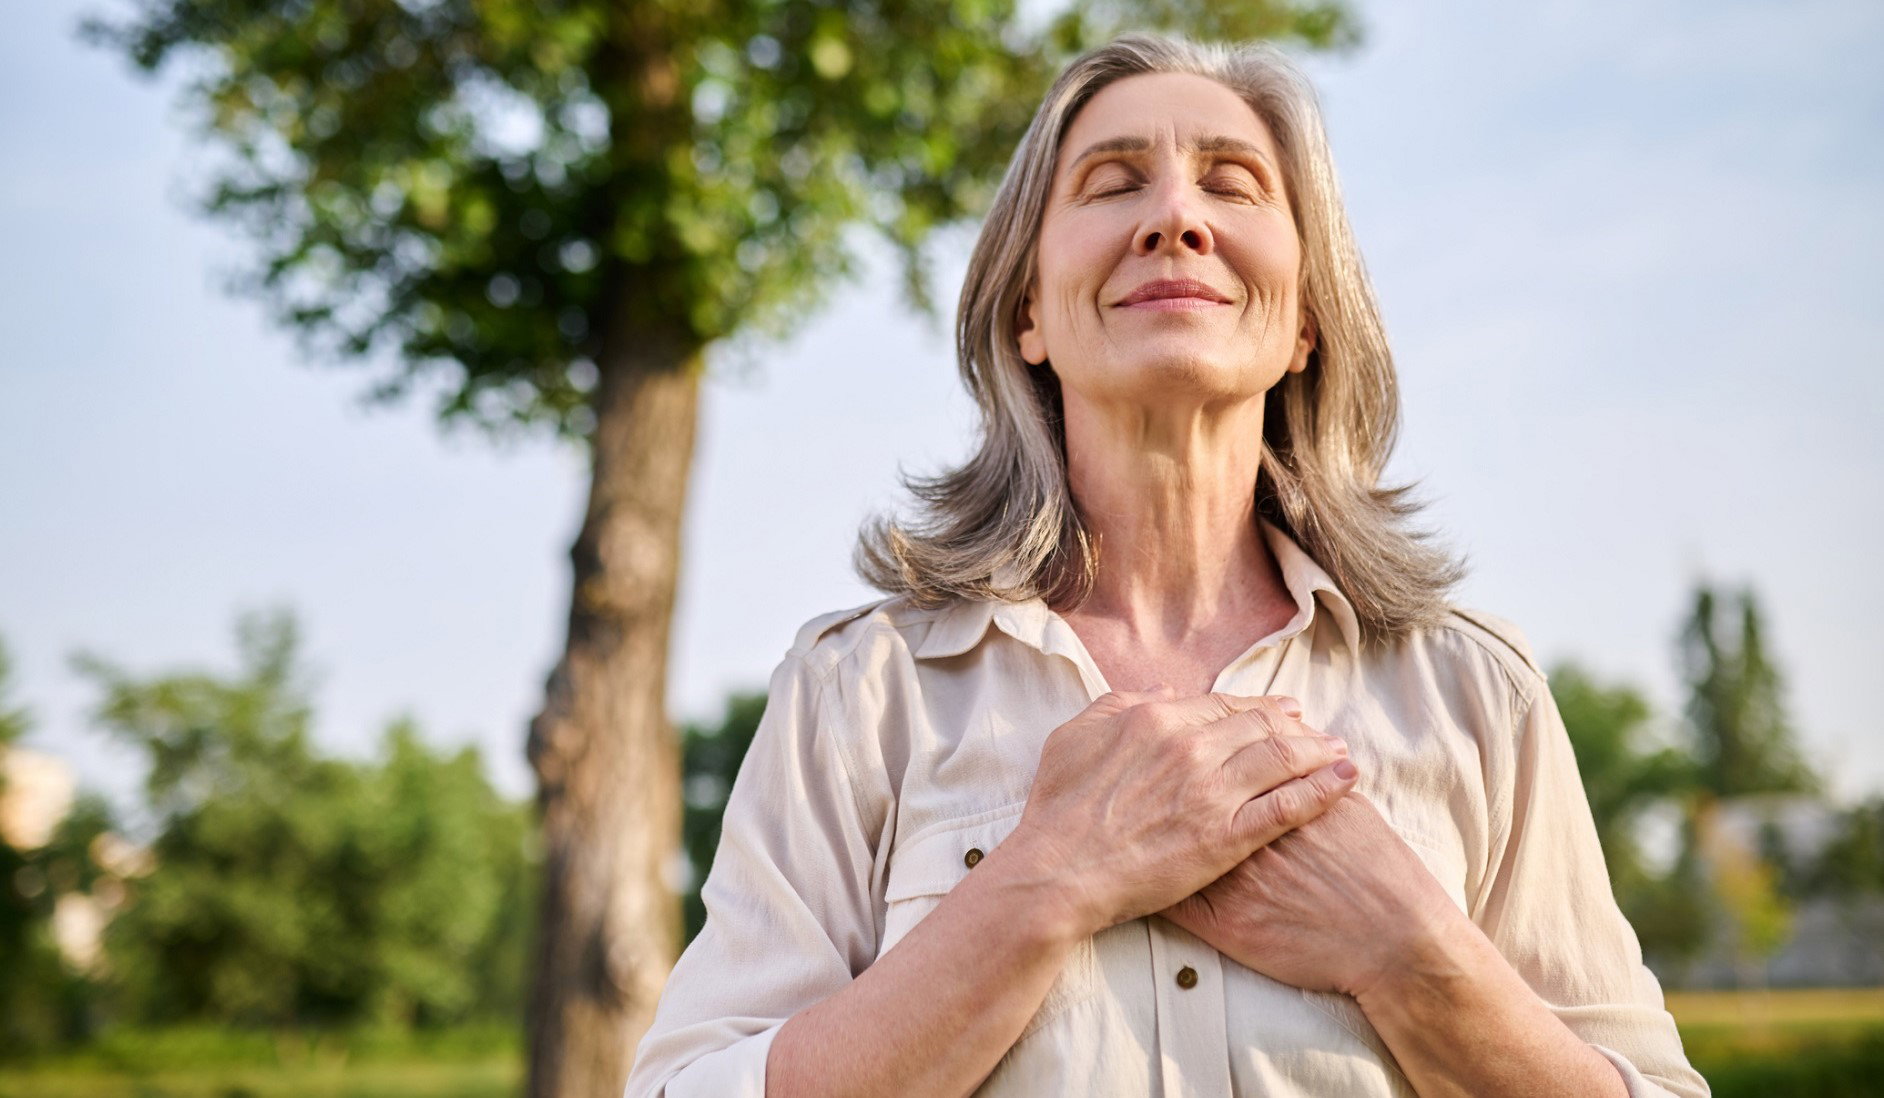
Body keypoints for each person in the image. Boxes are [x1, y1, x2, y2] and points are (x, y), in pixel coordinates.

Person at [625, 30, 1709, 1098]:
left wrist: (1412, 952)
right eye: (1112, 183)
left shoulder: (1477, 697)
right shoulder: (859, 694)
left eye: (1233, 185)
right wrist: (1048, 882)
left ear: (1305, 324)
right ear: (1028, 313)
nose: (1176, 219)